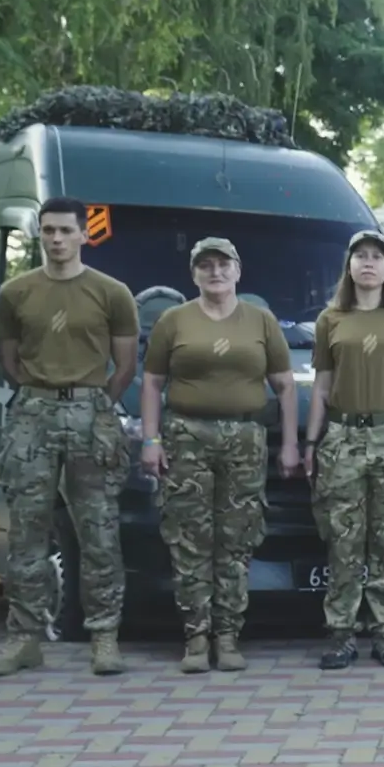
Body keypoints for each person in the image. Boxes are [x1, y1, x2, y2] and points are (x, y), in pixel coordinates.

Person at [0, 197, 140, 679]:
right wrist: (41, 392)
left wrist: (93, 399)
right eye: (48, 230)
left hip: (91, 412)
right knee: (26, 529)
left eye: (65, 231)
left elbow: (126, 364)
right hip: (33, 412)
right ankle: (24, 638)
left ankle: (105, 637)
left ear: (83, 235)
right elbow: (8, 358)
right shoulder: (16, 292)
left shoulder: (111, 293)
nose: (55, 239)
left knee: (98, 530)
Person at [138, 237, 300, 673]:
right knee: (190, 538)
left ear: (238, 270)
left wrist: (288, 444)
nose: (215, 272)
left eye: (223, 264)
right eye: (205, 265)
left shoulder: (261, 322)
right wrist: (150, 441)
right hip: (186, 436)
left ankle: (227, 636)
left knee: (237, 539)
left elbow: (285, 386)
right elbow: (152, 383)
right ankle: (195, 637)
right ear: (194, 274)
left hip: (245, 439)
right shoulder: (174, 321)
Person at [304, 229, 384, 671]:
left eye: (377, 256)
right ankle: (341, 634)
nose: (369, 263)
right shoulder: (331, 319)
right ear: (350, 267)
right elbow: (321, 385)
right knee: (343, 540)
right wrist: (312, 443)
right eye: (361, 256)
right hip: (342, 439)